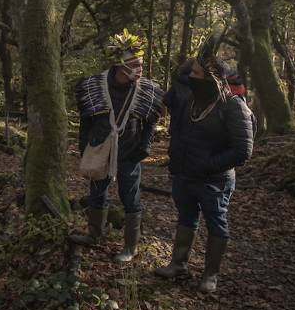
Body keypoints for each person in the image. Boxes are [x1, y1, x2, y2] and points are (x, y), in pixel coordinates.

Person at [154, 35, 255, 292]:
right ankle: (178, 264)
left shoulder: (233, 107)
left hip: (215, 181)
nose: (192, 76)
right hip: (185, 176)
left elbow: (243, 150)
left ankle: (210, 275)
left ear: (212, 78)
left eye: (198, 73)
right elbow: (181, 76)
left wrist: (208, 165)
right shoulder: (188, 100)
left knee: (216, 222)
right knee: (186, 218)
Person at [69, 30, 164, 263]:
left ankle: (130, 247)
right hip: (100, 149)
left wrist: (145, 147)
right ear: (120, 65)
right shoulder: (94, 85)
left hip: (130, 152)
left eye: (141, 63)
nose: (139, 68)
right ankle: (94, 234)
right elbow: (86, 121)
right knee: (97, 193)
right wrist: (85, 148)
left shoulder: (147, 90)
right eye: (135, 64)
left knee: (131, 198)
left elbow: (151, 121)